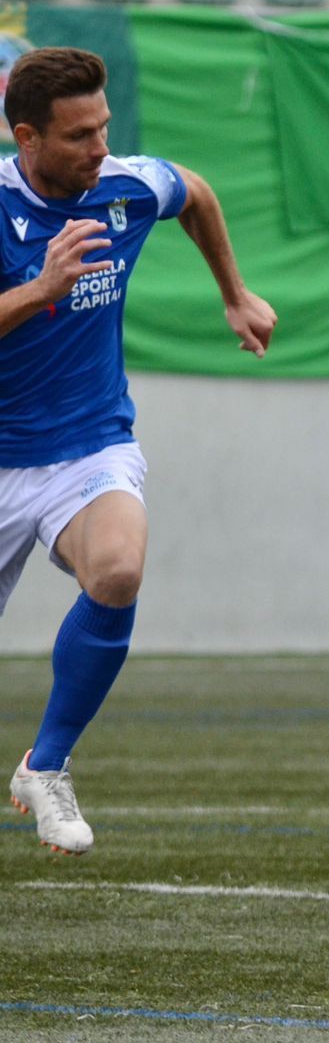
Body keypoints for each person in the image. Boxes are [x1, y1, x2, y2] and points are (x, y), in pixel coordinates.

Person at [1, 46, 276, 854]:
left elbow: (195, 193)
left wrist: (236, 294)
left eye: (104, 127)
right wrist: (37, 292)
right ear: (27, 137)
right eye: (80, 135)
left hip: (87, 446)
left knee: (118, 569)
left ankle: (45, 767)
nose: (100, 147)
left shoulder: (124, 186)